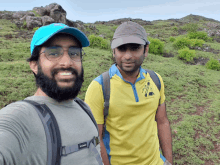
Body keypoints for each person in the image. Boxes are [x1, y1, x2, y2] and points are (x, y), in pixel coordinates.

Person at [0, 23, 102, 165]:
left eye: (74, 53)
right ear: (34, 65)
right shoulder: (20, 117)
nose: (67, 62)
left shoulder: (84, 108)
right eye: (53, 53)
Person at [85, 21, 173, 165]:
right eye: (121, 49)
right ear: (113, 51)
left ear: (146, 49)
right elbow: (96, 139)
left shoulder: (156, 80)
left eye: (134, 48)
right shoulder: (99, 87)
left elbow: (162, 122)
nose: (127, 56)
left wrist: (168, 161)